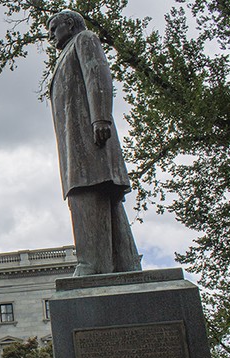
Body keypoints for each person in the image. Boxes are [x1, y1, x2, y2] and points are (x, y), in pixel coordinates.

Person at [48, 10, 142, 276]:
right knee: (106, 197)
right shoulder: (65, 54)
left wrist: (100, 118)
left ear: (69, 24)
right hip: (75, 140)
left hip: (87, 137)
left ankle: (91, 262)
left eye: (54, 28)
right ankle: (126, 262)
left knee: (86, 191)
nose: (50, 34)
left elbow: (97, 76)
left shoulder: (84, 39)